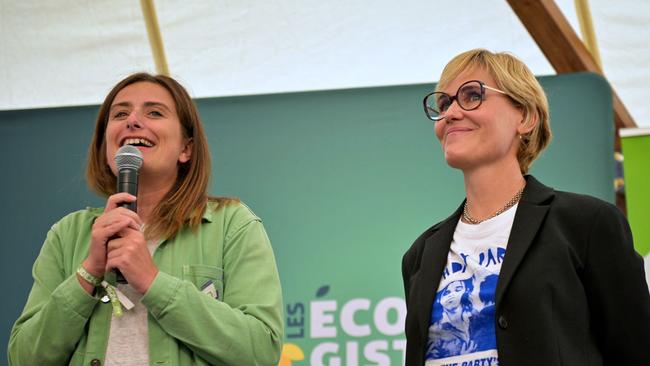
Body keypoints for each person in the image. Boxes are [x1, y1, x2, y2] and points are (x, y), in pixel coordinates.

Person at [8, 73, 284, 365]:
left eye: (154, 112)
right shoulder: (68, 234)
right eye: (120, 113)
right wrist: (89, 272)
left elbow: (260, 351)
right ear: (106, 149)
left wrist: (153, 283)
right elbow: (24, 358)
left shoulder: (232, 225)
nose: (132, 120)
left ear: (186, 149)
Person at [401, 49, 650, 366]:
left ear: (525, 117)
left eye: (472, 95)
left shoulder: (587, 224)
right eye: (444, 103)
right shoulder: (421, 254)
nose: (450, 113)